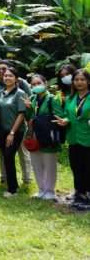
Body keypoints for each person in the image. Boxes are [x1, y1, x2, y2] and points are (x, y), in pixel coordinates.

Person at [53, 69, 90, 210]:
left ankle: (88, 192)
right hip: (73, 136)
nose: (79, 82)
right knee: (76, 166)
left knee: (88, 166)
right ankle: (79, 191)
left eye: (82, 79)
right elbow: (69, 115)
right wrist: (65, 120)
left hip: (87, 136)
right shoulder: (70, 98)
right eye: (76, 80)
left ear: (88, 81)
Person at [23, 74, 64, 200]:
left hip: (48, 136)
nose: (36, 86)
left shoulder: (52, 99)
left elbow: (59, 116)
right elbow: (28, 117)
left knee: (49, 163)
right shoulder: (32, 98)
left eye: (38, 83)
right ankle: (41, 189)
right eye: (33, 84)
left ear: (45, 84)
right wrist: (29, 109)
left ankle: (50, 191)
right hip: (35, 135)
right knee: (36, 162)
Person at [0, 60, 32, 185]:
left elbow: (21, 115)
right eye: (5, 75)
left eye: (10, 76)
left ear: (16, 78)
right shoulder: (1, 93)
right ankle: (12, 185)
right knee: (7, 158)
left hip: (16, 131)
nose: (7, 78)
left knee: (9, 156)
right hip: (3, 131)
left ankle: (13, 188)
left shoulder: (19, 93)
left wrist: (12, 133)